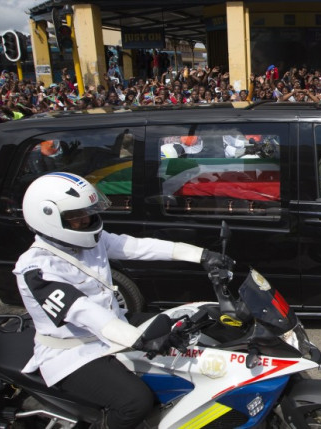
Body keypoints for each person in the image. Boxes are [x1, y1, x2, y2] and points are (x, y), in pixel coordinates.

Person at [14, 172, 232, 429]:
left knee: (192, 326)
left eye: (86, 211)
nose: (86, 219)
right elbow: (81, 310)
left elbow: (136, 246)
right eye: (76, 216)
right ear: (48, 217)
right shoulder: (36, 268)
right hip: (74, 352)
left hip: (115, 327)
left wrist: (201, 255)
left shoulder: (89, 240)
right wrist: (138, 339)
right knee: (135, 402)